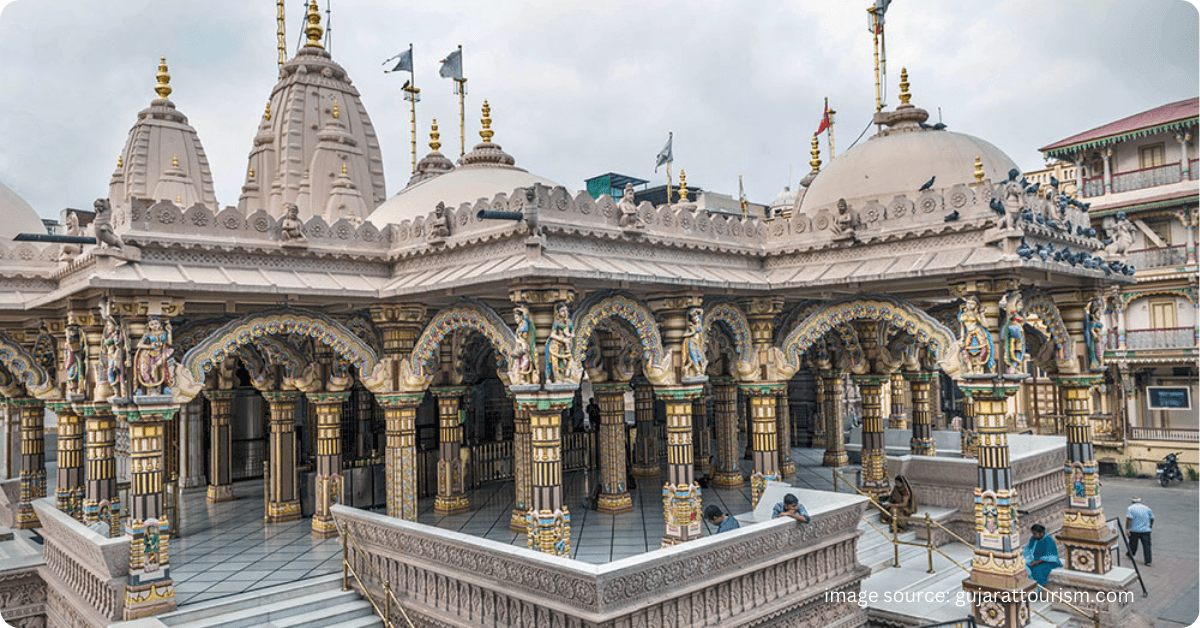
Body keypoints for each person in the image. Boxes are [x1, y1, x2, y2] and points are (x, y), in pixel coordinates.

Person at [1126, 496, 1154, 566]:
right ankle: (1148, 561)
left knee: (1133, 543)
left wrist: (1127, 528)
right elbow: (1152, 518)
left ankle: (1131, 553)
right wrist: (1150, 526)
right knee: (1147, 545)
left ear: (1132, 502)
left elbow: (1129, 519)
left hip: (1134, 529)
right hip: (1146, 530)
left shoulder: (1130, 508)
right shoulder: (1146, 508)